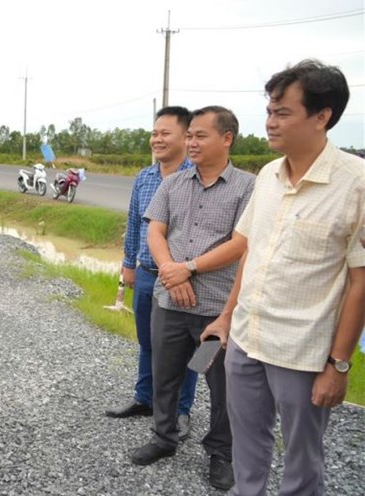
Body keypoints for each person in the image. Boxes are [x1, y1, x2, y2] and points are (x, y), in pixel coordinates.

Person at [202, 60, 365, 495]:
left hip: (303, 353)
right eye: (270, 111)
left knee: (302, 457)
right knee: (247, 446)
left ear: (322, 116)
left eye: (282, 112)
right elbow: (252, 252)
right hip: (246, 340)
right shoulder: (269, 176)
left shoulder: (356, 184)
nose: (270, 122)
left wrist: (339, 365)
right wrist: (226, 318)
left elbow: (360, 283)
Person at [130, 106, 256, 492]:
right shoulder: (174, 183)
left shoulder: (247, 187)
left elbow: (242, 242)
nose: (191, 142)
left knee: (223, 387)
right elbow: (155, 230)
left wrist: (191, 268)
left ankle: (221, 453)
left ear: (227, 138)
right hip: (170, 304)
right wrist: (171, 270)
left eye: (200, 135)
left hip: (216, 311)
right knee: (166, 375)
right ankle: (164, 437)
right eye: (190, 136)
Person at [106, 106, 199, 442]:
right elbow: (134, 224)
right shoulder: (144, 178)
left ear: (186, 137)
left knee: (185, 350)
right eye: (154, 133)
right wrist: (128, 264)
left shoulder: (196, 176)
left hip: (183, 280)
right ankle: (145, 399)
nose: (157, 139)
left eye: (165, 133)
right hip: (146, 272)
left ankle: (181, 409)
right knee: (147, 341)